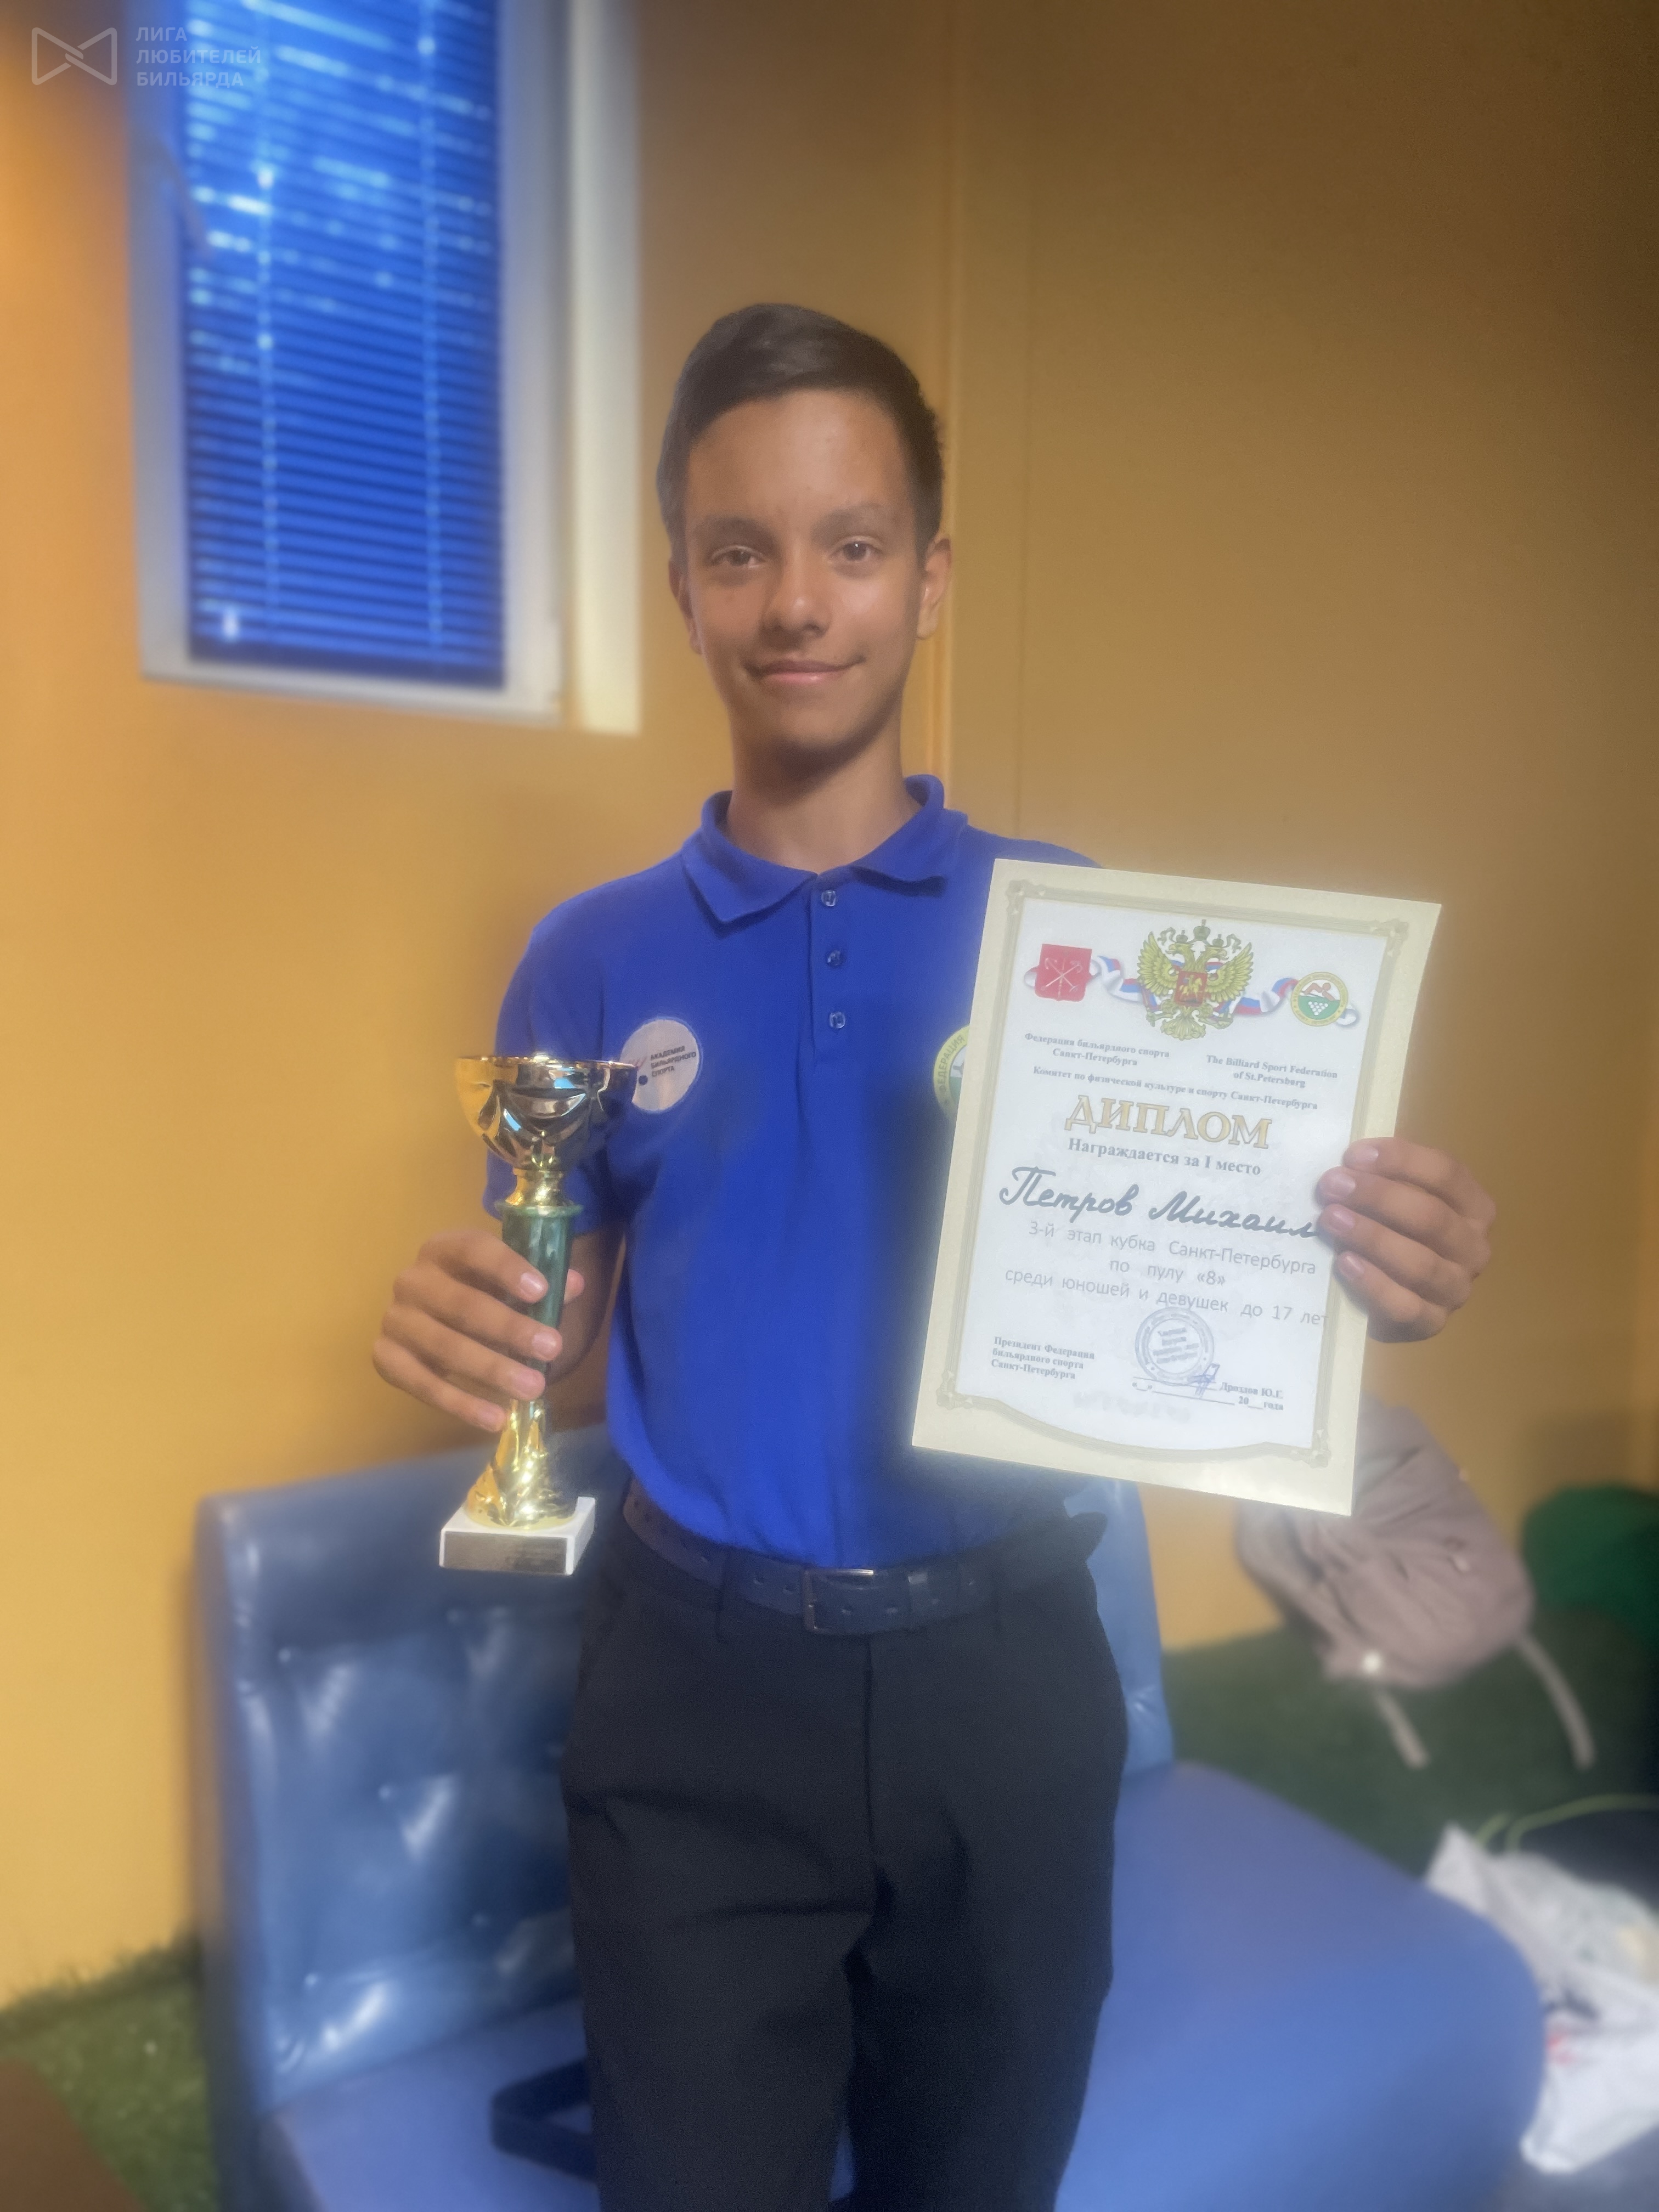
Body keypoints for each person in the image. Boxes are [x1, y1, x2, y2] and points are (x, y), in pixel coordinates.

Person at [373, 303, 1496, 2212]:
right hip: (691, 1692)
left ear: (931, 579)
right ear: (684, 590)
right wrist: (480, 1333)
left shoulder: (1089, 950)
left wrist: (1375, 1266)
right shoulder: (587, 958)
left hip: (1009, 1679)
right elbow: (556, 1331)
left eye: (854, 543)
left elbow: (1209, 1257)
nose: (799, 600)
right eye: (740, 551)